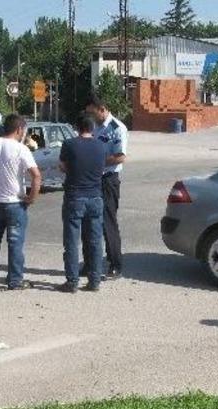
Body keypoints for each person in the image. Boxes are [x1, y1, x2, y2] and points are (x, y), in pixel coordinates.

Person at [0, 114, 42, 291]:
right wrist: (31, 198)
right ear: (19, 129)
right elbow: (36, 176)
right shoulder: (21, 149)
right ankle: (15, 280)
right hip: (14, 203)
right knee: (15, 243)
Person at [57, 114, 105, 293]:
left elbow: (62, 166)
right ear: (92, 128)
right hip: (95, 196)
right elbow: (102, 168)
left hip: (75, 196)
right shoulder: (101, 145)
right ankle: (95, 280)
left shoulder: (69, 144)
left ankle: (72, 282)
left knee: (71, 241)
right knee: (95, 241)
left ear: (77, 127)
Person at [83, 94, 128, 279]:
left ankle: (115, 264)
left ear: (102, 109)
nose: (90, 117)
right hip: (92, 179)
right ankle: (89, 264)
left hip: (108, 180)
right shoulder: (93, 126)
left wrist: (97, 161)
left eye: (92, 113)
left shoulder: (117, 128)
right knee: (88, 221)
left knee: (108, 223)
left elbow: (120, 156)